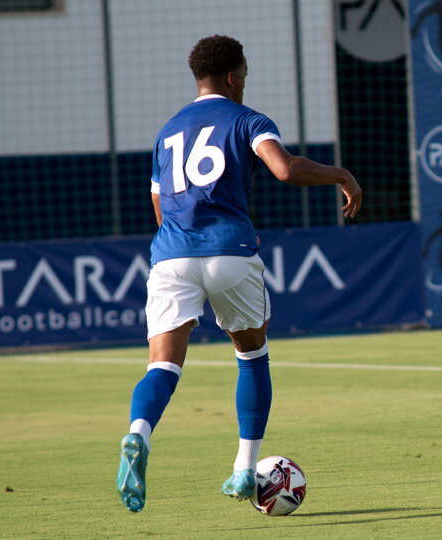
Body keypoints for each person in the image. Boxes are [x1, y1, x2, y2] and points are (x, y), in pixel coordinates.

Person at [116, 35, 362, 513]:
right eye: (244, 77)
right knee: (252, 355)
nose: (244, 84)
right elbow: (284, 169)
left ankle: (137, 435)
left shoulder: (167, 132)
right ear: (232, 77)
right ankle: (244, 466)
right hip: (230, 249)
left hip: (172, 253)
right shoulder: (248, 119)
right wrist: (341, 175)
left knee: (163, 366)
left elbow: (159, 205)